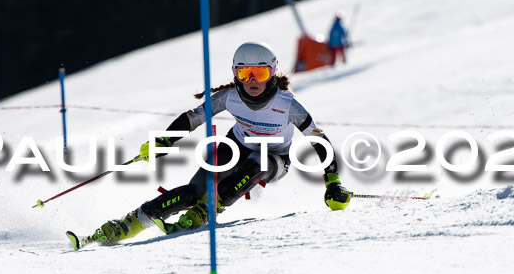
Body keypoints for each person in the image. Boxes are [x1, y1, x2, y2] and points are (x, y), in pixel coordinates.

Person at [67, 42, 351, 249]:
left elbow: (318, 139)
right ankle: (128, 224)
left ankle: (206, 212)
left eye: (260, 74)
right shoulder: (229, 97)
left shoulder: (286, 104)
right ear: (235, 73)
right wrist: (162, 142)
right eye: (245, 74)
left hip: (275, 157)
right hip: (236, 145)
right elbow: (193, 118)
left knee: (258, 164)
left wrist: (333, 181)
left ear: (273, 74)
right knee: (196, 189)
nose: (252, 81)